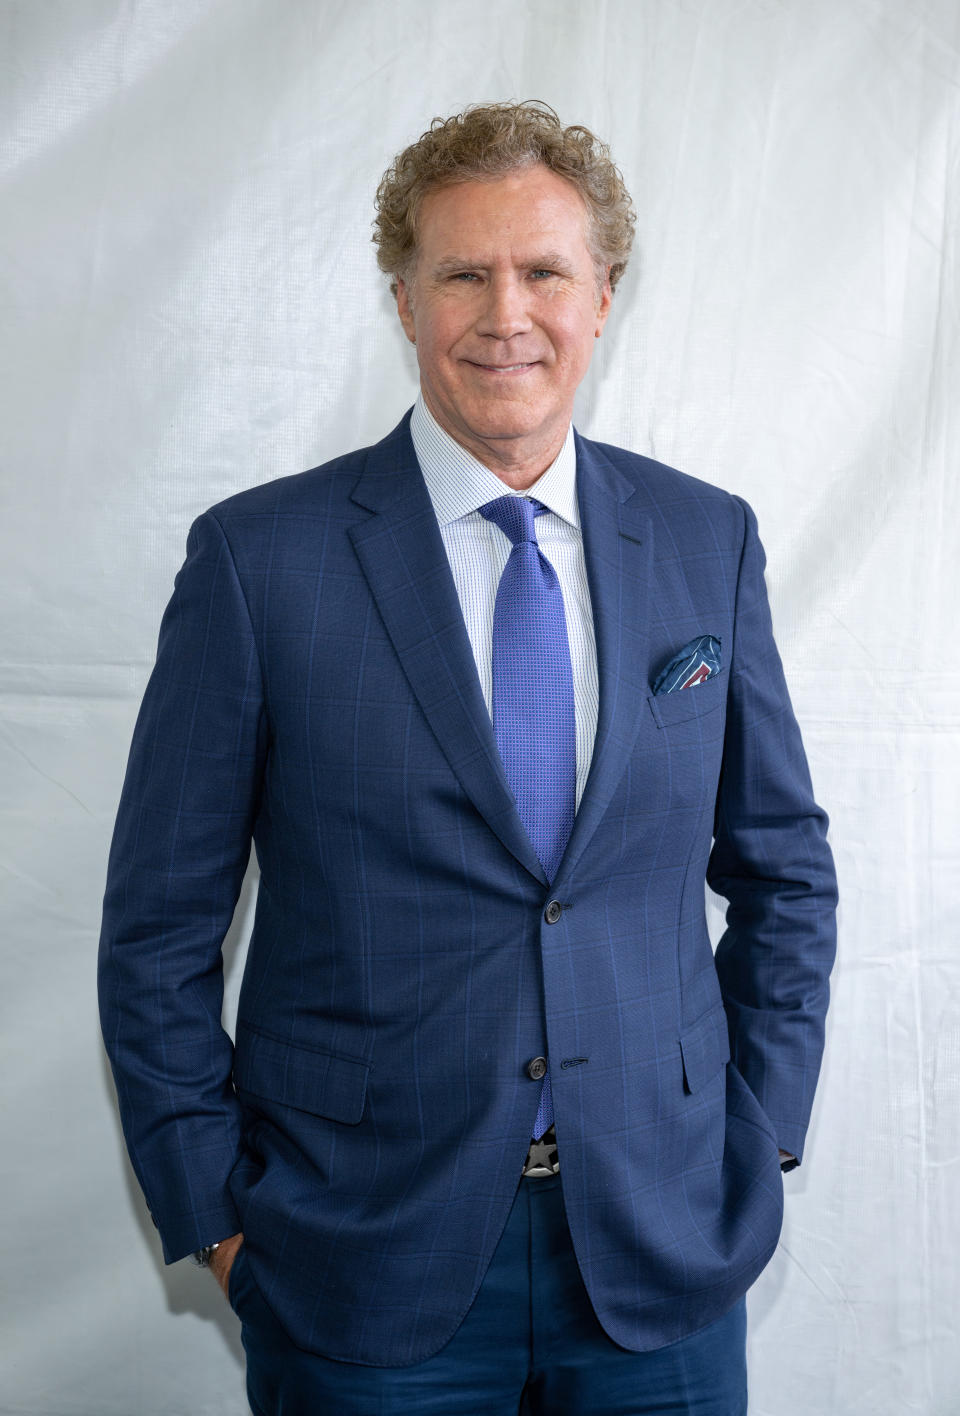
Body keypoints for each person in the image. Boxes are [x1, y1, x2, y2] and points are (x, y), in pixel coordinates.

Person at [98, 101, 838, 1415]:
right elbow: (159, 929)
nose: (508, 314)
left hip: (659, 1263)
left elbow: (782, 869)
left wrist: (756, 1132)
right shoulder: (260, 563)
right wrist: (217, 1213)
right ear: (402, 298)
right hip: (363, 1270)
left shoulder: (704, 541)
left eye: (544, 271)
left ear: (602, 297)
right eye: (463, 272)